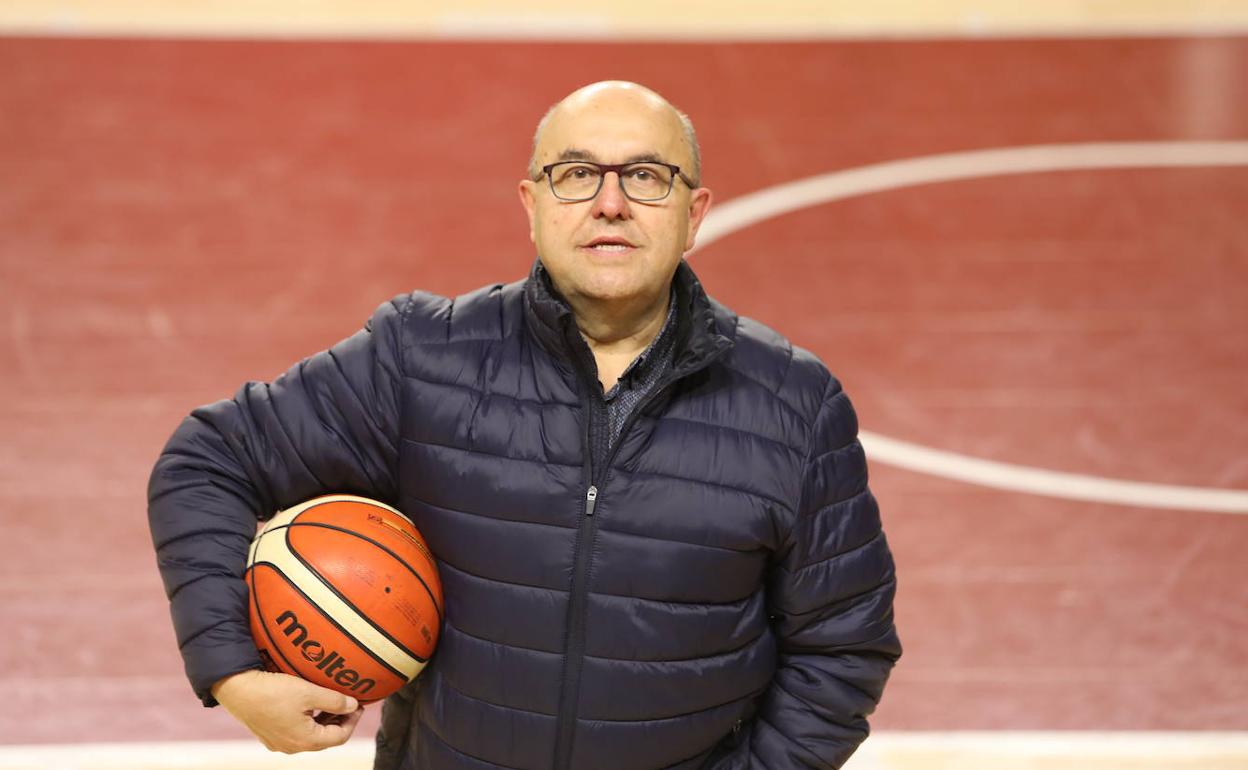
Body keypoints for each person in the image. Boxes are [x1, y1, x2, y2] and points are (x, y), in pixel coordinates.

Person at [148, 80, 901, 770]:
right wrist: (233, 671)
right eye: (575, 174)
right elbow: (210, 459)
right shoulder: (422, 360)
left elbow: (843, 649)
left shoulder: (793, 404)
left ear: (693, 213)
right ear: (531, 205)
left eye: (646, 176)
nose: (610, 203)